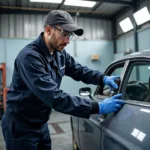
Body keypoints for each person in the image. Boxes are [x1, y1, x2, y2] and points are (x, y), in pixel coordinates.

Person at [1, 10, 124, 150]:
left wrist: (102, 78)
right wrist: (97, 107)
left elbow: (79, 70)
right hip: (20, 127)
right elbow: (54, 97)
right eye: (64, 34)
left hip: (41, 123)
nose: (67, 41)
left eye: (69, 35)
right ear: (48, 30)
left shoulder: (60, 54)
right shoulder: (30, 57)